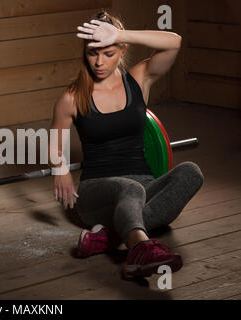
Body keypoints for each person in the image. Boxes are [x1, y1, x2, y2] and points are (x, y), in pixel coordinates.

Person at [48, 11, 204, 278]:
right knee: (129, 187)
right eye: (92, 53)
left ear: (122, 50)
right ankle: (140, 249)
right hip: (96, 193)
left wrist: (120, 34)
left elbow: (174, 41)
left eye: (109, 53)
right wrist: (60, 168)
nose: (99, 62)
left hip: (143, 185)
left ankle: (108, 237)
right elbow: (53, 142)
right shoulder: (72, 97)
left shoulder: (139, 79)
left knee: (191, 173)